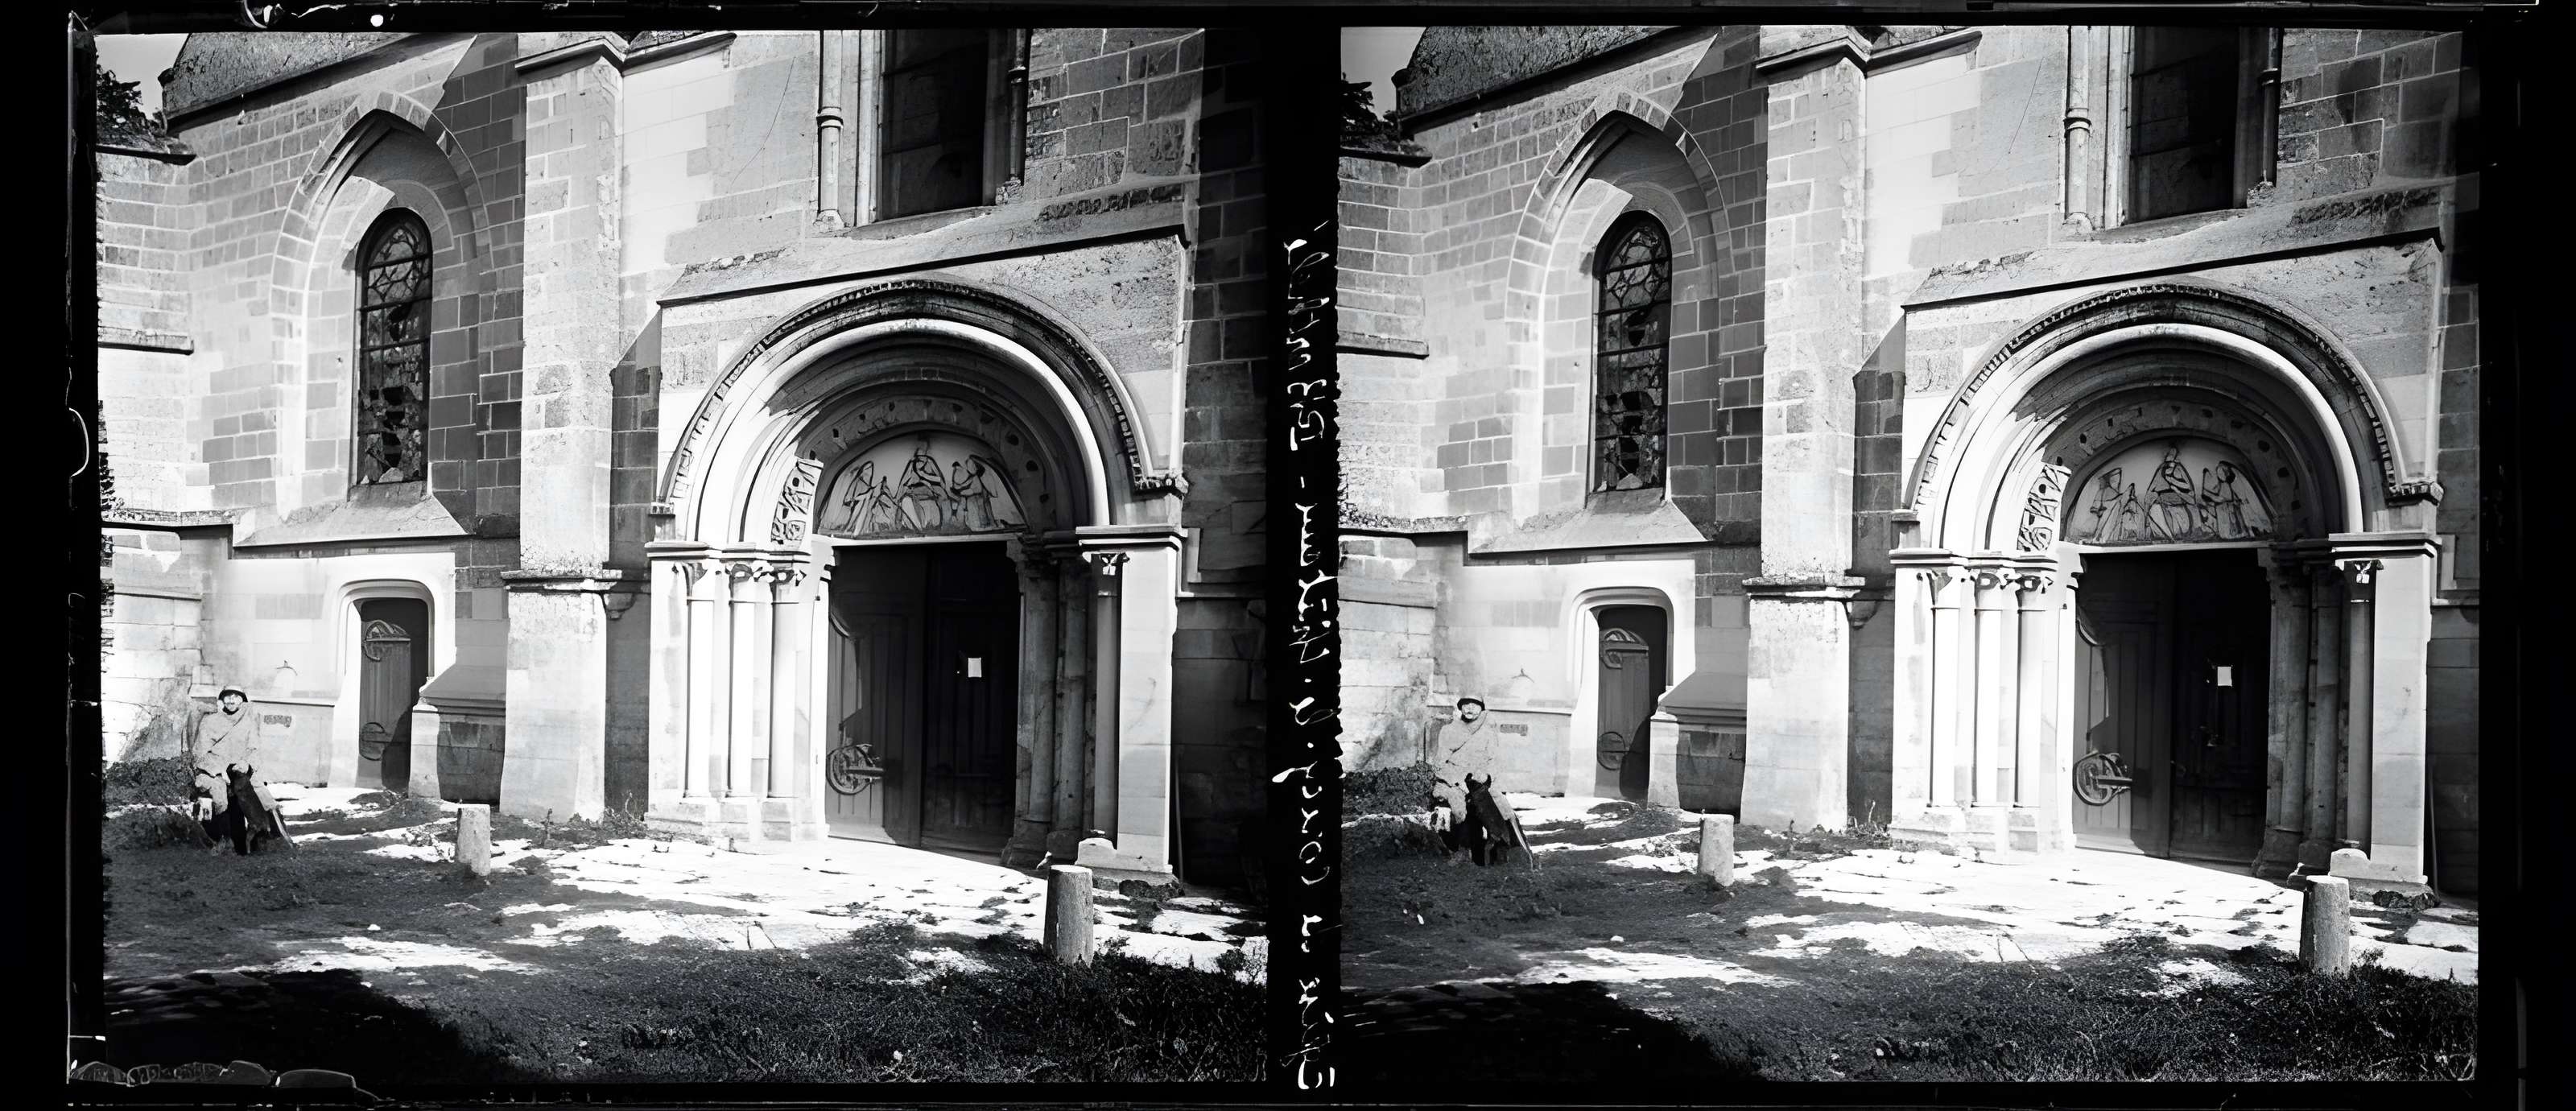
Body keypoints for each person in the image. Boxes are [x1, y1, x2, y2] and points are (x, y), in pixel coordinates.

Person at [1428, 696, 1499, 852]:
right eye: (1466, 705)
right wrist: (1457, 782)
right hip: (1454, 780)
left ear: (1481, 709)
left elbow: (1494, 761)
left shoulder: (1488, 733)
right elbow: (1440, 763)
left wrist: (1486, 778)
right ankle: (1461, 851)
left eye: (1475, 705)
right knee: (1459, 809)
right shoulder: (1448, 730)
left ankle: (1506, 849)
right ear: (1460, 708)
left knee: (1501, 809)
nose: (1470, 708)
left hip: (1479, 780)